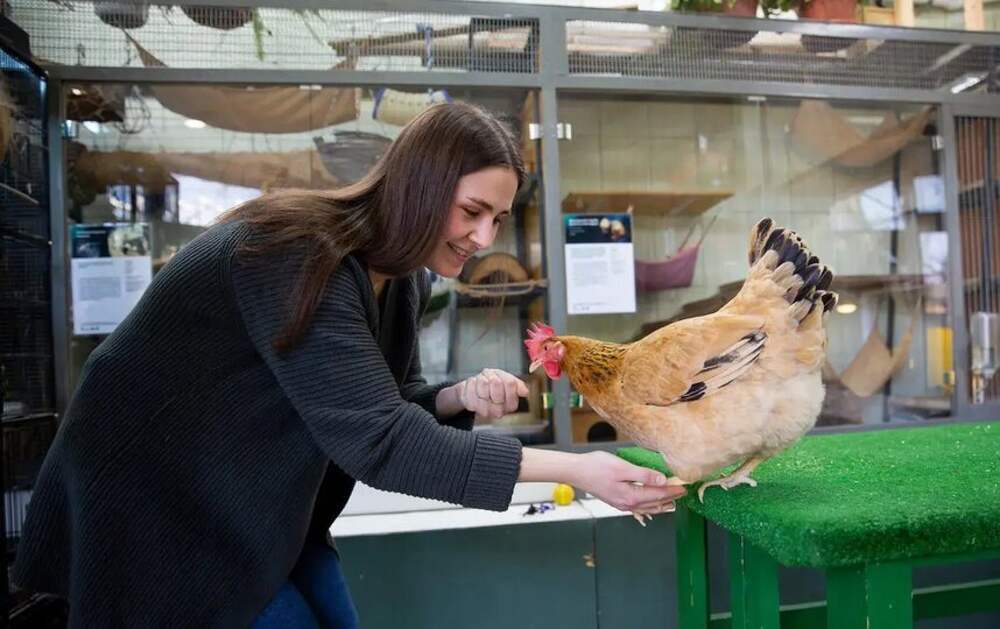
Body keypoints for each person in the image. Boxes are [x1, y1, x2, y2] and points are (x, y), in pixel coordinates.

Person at [13, 102, 685, 627]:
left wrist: (454, 399)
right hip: (158, 508)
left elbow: (381, 404)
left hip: (256, 506)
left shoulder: (406, 279)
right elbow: (381, 441)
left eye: (498, 219)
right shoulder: (299, 255)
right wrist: (579, 469)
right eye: (472, 211)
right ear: (419, 187)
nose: (484, 238)